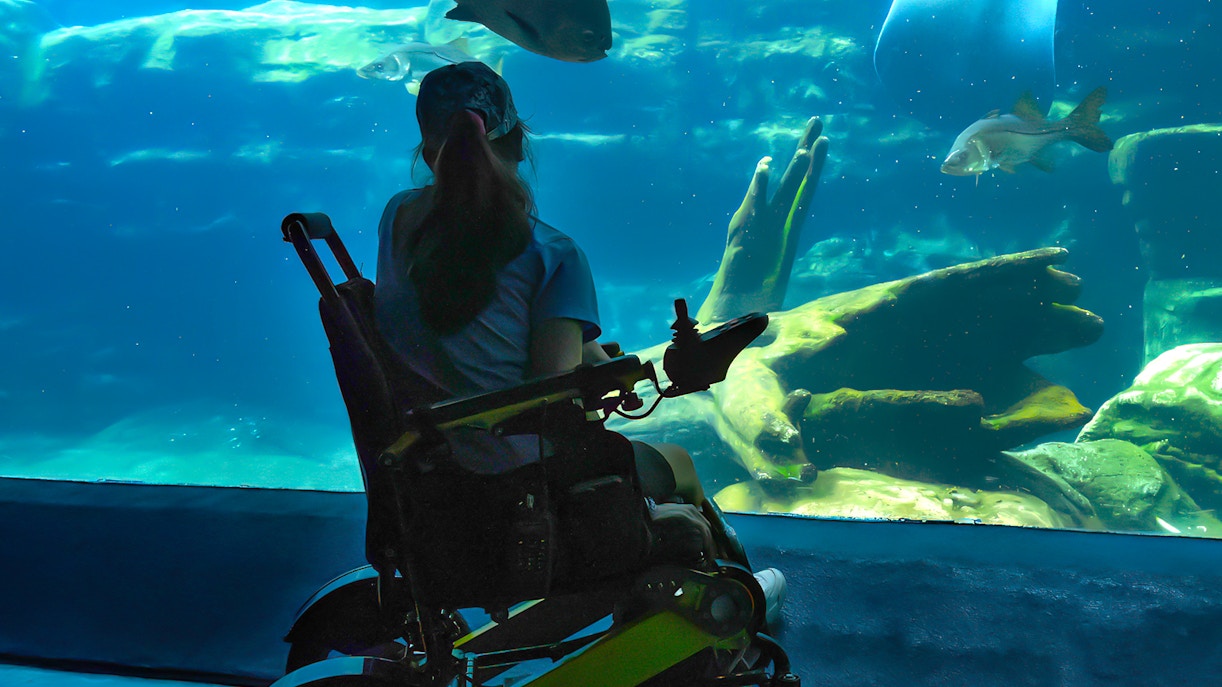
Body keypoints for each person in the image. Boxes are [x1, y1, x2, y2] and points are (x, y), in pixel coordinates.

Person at [372, 62, 784, 618]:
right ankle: (733, 603)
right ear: (518, 142)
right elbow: (553, 392)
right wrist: (607, 376)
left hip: (434, 467)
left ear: (425, 148)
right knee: (681, 469)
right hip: (515, 480)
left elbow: (471, 330)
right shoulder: (551, 253)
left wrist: (591, 359)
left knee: (671, 458)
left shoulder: (397, 218)